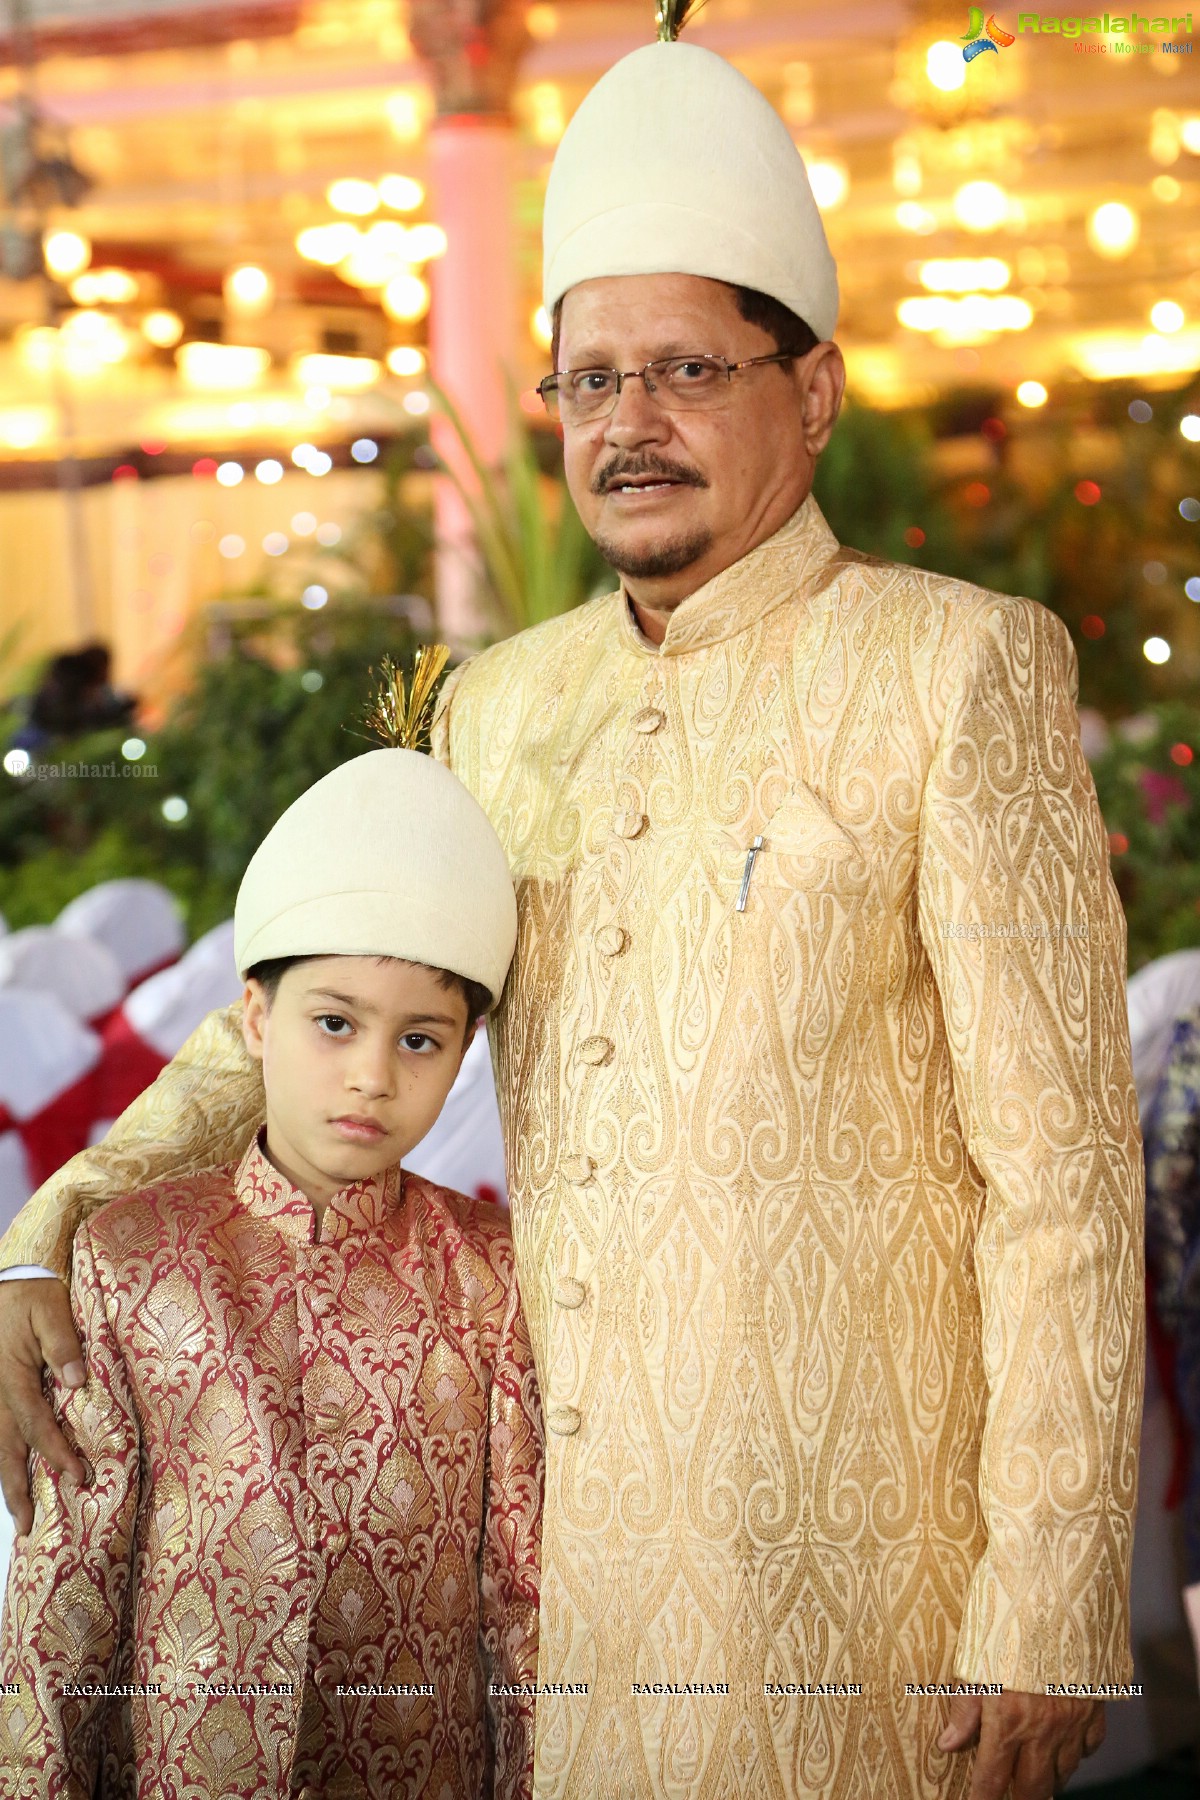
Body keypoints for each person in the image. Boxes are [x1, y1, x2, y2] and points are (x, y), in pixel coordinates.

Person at [0, 15, 1143, 1800]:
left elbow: (1063, 1174)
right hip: (564, 1586)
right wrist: (51, 1216)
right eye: (589, 381)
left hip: (866, 1599)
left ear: (813, 388)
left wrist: (1052, 1600)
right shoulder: (501, 703)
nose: (630, 427)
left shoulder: (956, 671)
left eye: (684, 368)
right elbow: (308, 994)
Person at [0, 730, 543, 1800]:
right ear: (254, 1019)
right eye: (332, 1024)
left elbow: (519, 1600)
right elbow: (67, 1602)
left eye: (422, 1042)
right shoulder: (133, 1261)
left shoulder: (492, 1277)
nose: (372, 1077)